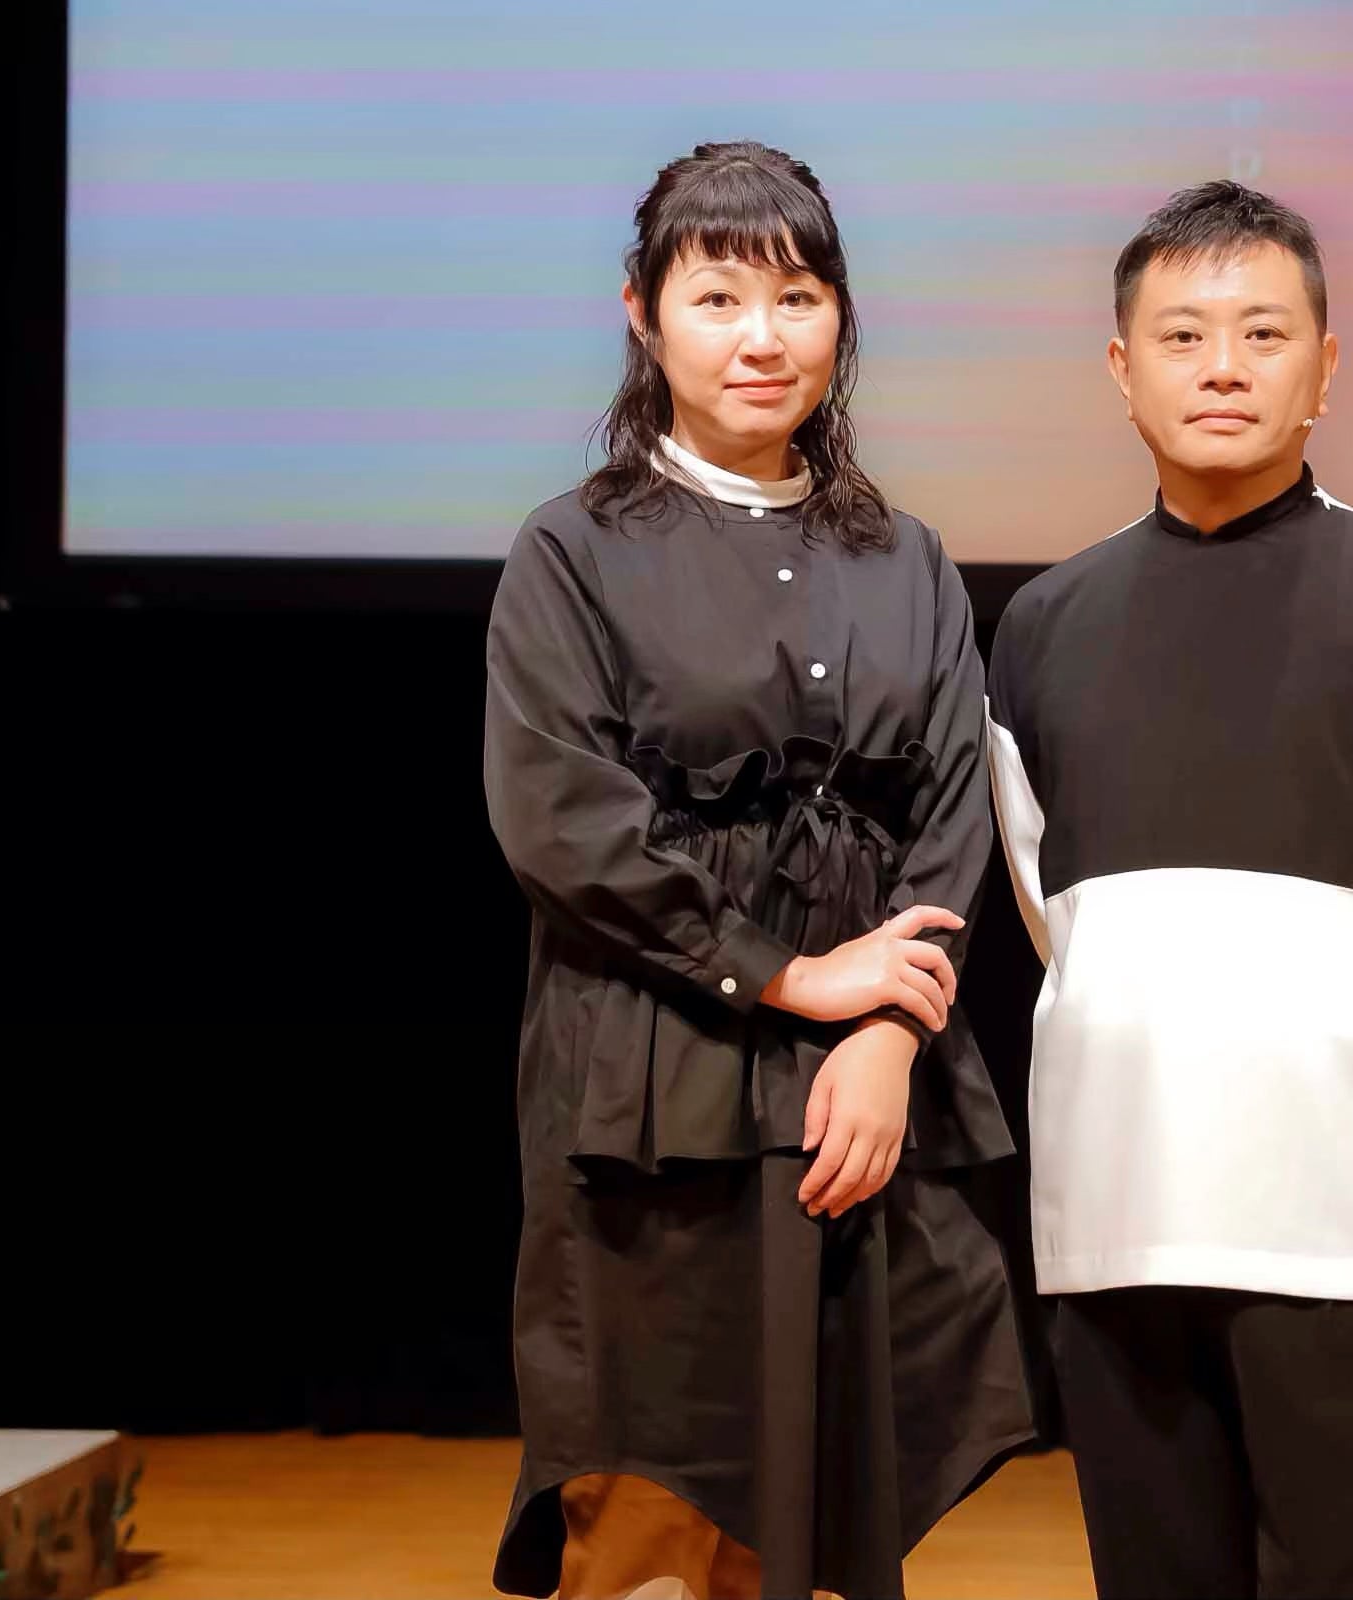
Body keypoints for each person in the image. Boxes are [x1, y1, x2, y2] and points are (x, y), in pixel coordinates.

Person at [985, 180, 1353, 1599]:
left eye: (1263, 332)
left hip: (1352, 1225)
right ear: (1121, 368)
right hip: (1120, 1210)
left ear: (1327, 364)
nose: (1225, 368)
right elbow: (1054, 910)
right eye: (1183, 336)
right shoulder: (1044, 626)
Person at [485, 141, 1033, 1600]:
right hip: (653, 1077)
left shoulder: (906, 557)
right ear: (643, 314)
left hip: (858, 1087)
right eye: (718, 297)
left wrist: (889, 1028)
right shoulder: (573, 550)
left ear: (841, 316)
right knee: (654, 1503)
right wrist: (785, 975)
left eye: (797, 297)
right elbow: (561, 819)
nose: (761, 336)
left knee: (828, 1497)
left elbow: (951, 815)